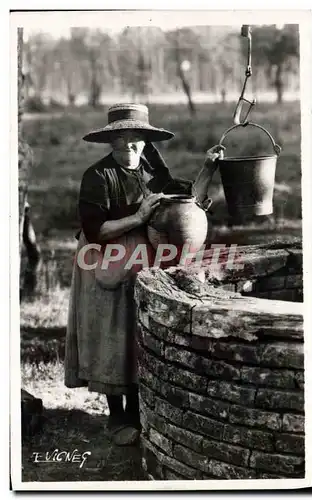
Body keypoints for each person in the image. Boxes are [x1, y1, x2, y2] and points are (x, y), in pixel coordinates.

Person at [64, 103, 219, 446]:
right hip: (104, 256)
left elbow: (186, 197)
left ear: (147, 141)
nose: (131, 146)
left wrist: (209, 167)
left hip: (141, 255)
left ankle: (137, 409)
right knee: (110, 331)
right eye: (123, 139)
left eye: (137, 139)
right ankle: (116, 414)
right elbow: (95, 231)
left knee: (136, 329)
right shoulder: (98, 176)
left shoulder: (150, 168)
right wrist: (138, 216)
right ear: (112, 142)